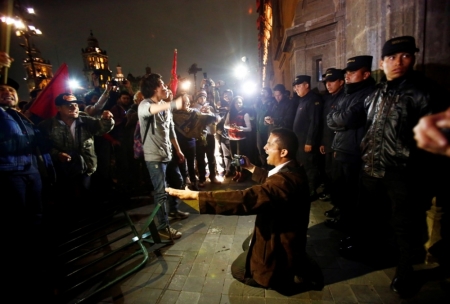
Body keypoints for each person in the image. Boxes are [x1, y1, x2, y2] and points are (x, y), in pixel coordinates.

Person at [342, 36, 450, 297]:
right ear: (382, 62)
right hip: (371, 167)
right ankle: (376, 255)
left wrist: (423, 176)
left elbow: (437, 140)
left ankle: (404, 271)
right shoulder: (377, 92)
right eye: (392, 57)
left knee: (404, 225)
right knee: (371, 215)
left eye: (405, 56)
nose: (398, 62)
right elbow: (366, 126)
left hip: (401, 171)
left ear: (413, 58)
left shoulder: (425, 91)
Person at [166, 128, 323, 295]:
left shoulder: (285, 182)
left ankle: (288, 276)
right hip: (283, 231)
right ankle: (295, 261)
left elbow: (246, 199)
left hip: (281, 239)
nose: (264, 147)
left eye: (269, 144)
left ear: (283, 151)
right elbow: (272, 180)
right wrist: (250, 167)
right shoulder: (293, 168)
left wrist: (196, 196)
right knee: (247, 244)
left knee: (239, 270)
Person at [325, 56, 375, 230]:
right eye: (347, 72)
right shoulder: (348, 92)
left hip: (354, 149)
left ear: (366, 74)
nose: (347, 75)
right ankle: (344, 219)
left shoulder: (368, 93)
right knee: (341, 187)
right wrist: (339, 120)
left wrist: (339, 120)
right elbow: (331, 118)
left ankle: (351, 227)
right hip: (342, 145)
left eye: (353, 72)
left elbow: (350, 117)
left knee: (352, 191)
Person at [137, 73, 190, 240]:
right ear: (154, 89)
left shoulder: (164, 106)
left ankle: (173, 210)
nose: (166, 88)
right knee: (160, 192)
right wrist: (173, 103)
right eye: (163, 86)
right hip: (154, 157)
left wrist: (178, 150)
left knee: (178, 182)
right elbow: (151, 110)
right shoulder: (145, 105)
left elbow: (171, 130)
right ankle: (162, 227)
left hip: (168, 154)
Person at [38, 93, 114, 207]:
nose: (74, 107)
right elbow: (44, 146)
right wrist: (57, 154)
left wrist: (107, 119)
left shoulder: (85, 121)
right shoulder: (47, 126)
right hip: (62, 169)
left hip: (86, 166)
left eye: (76, 104)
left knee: (85, 195)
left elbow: (101, 129)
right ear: (58, 108)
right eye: (68, 105)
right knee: (67, 199)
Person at [292, 75, 323, 199]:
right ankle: (305, 188)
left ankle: (311, 191)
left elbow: (314, 123)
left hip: (306, 141)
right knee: (303, 165)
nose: (296, 89)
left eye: (299, 86)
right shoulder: (303, 100)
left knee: (310, 166)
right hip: (300, 140)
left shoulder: (313, 100)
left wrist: (310, 141)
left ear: (306, 85)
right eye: (295, 87)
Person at [319, 68, 345, 209]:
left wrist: (335, 146)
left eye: (332, 81)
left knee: (337, 175)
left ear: (341, 82)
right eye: (326, 82)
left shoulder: (344, 98)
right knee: (329, 172)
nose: (328, 85)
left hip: (338, 144)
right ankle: (333, 199)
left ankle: (339, 206)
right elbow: (325, 122)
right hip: (328, 142)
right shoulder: (329, 99)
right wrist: (324, 142)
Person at [224, 96, 252, 182]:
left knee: (241, 158)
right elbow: (225, 125)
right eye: (236, 103)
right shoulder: (230, 113)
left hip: (241, 139)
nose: (238, 104)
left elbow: (249, 128)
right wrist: (230, 126)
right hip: (232, 138)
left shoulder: (245, 114)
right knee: (234, 157)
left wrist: (240, 128)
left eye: (240, 102)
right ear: (233, 104)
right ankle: (237, 172)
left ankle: (242, 173)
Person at [255, 87, 275, 169]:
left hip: (268, 130)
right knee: (260, 148)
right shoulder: (259, 103)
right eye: (262, 91)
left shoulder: (272, 103)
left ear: (269, 94)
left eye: (265, 92)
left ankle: (270, 167)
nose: (262, 93)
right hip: (259, 130)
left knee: (269, 148)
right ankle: (264, 166)